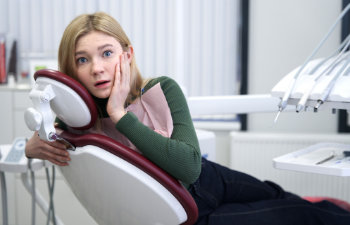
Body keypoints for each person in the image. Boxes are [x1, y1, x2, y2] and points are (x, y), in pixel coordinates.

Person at [25, 12, 350, 225]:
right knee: (299, 216)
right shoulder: (78, 125)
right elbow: (41, 141)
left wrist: (121, 115)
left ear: (127, 55)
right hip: (185, 209)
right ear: (72, 70)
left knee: (275, 193)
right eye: (83, 59)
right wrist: (30, 147)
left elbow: (190, 165)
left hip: (207, 178)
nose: (96, 67)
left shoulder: (161, 89)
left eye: (107, 53)